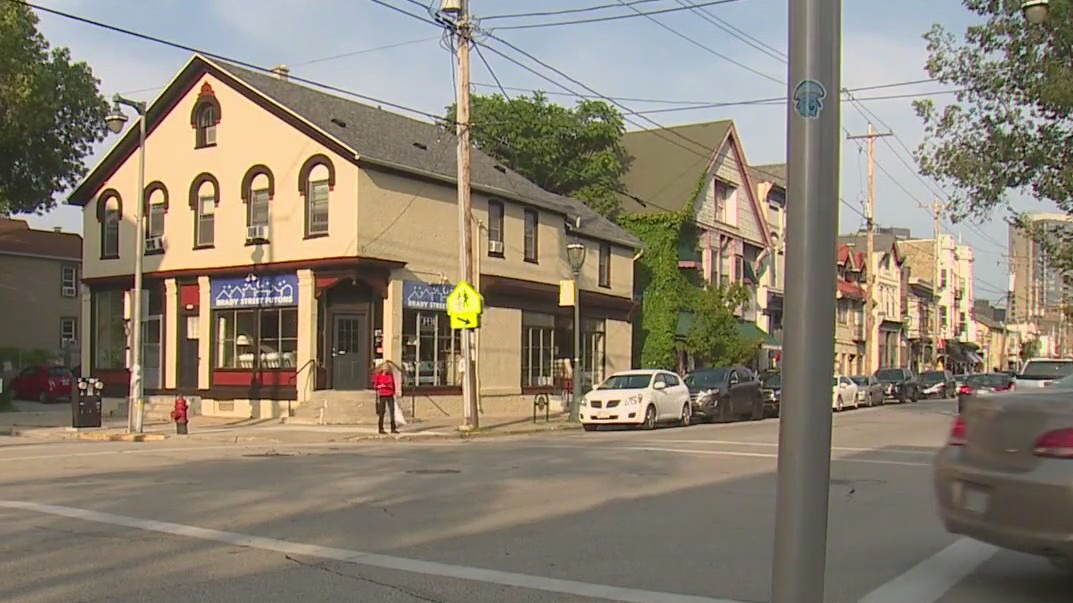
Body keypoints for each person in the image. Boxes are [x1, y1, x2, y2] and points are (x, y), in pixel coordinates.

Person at [373, 360, 398, 434]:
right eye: (385, 367)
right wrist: (381, 386)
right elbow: (375, 386)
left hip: (390, 394)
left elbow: (392, 385)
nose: (386, 369)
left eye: (387, 367)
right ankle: (380, 428)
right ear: (382, 368)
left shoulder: (390, 376)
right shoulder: (378, 376)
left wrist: (394, 392)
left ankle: (393, 428)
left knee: (392, 411)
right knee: (382, 412)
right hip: (382, 395)